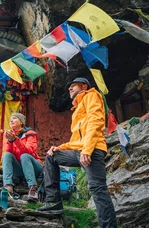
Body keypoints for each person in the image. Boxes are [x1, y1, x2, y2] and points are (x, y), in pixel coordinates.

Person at [37, 77, 117, 228]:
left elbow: (96, 121)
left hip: (93, 149)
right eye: (69, 87)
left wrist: (87, 149)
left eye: (73, 86)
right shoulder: (77, 108)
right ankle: (54, 203)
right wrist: (60, 148)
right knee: (51, 157)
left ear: (84, 86)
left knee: (98, 190)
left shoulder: (92, 96)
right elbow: (76, 140)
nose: (69, 89)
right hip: (79, 150)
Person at [1, 113, 43, 202]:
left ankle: (33, 189)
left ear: (21, 122)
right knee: (7, 155)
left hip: (34, 167)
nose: (11, 120)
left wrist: (15, 140)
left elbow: (28, 151)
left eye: (14, 118)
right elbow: (9, 153)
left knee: (24, 156)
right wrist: (10, 140)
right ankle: (8, 185)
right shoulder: (11, 134)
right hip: (20, 169)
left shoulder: (30, 133)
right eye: (10, 119)